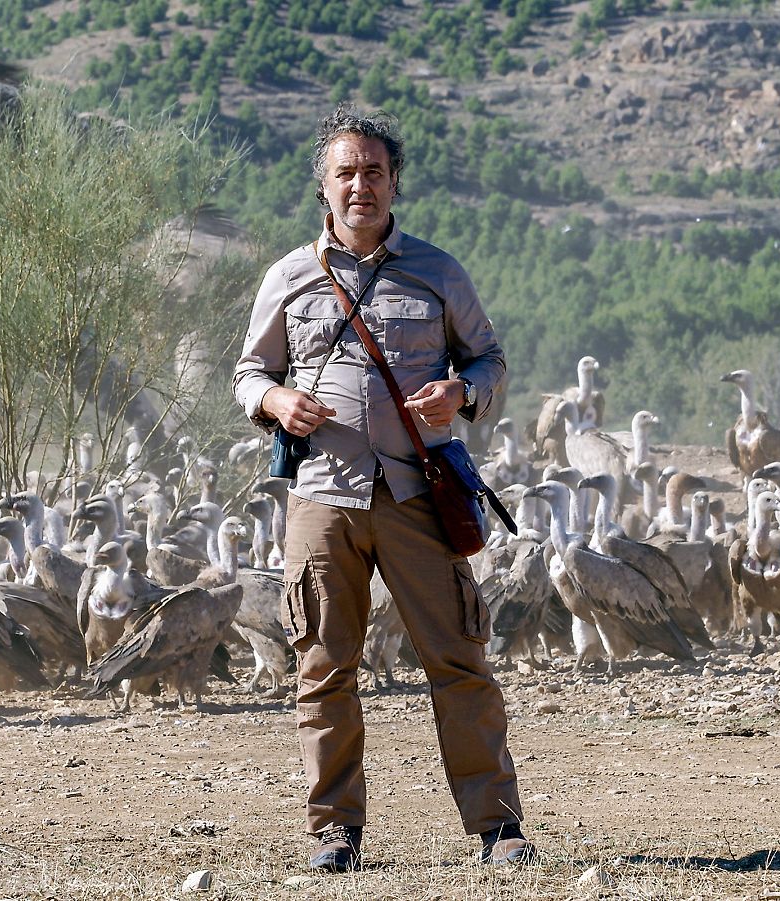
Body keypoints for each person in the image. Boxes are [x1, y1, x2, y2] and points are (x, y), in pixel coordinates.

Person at [233, 105, 532, 873]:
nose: (360, 184)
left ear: (394, 181)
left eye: (374, 171)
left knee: (458, 658)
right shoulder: (289, 276)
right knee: (325, 667)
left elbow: (492, 362)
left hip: (417, 496)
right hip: (323, 498)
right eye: (346, 172)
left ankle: (500, 830)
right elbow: (249, 373)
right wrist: (277, 402)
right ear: (323, 187)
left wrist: (460, 394)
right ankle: (335, 834)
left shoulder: (439, 271)